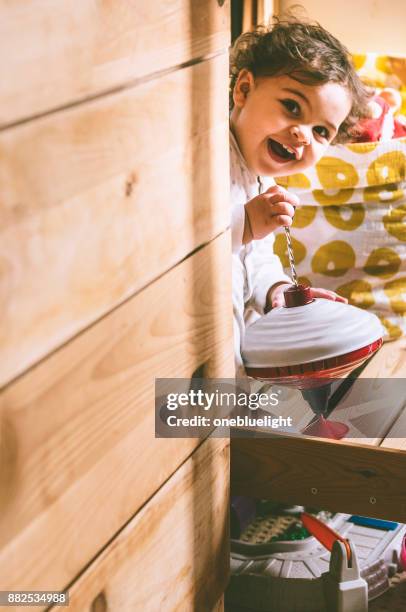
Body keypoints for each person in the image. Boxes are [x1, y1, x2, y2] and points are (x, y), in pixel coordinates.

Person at [230, 16, 371, 376]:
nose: (303, 135)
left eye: (321, 130)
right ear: (243, 90)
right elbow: (182, 238)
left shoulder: (260, 179)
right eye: (292, 107)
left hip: (232, 349)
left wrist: (276, 291)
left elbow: (255, 259)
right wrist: (243, 224)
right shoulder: (209, 155)